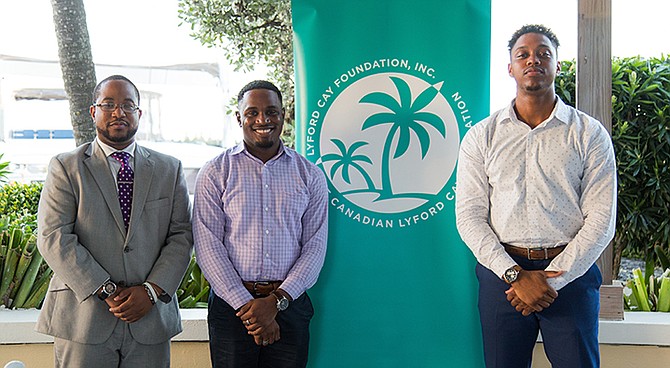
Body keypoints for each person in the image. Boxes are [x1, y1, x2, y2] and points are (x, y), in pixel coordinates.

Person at [455, 24, 617, 367]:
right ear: (510, 68)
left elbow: (602, 220)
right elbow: (469, 217)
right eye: (523, 54)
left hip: (570, 278)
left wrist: (551, 278)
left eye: (544, 54)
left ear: (558, 66)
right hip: (502, 280)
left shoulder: (589, 134)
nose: (534, 60)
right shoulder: (481, 136)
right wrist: (515, 276)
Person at [36, 75, 193, 367]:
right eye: (108, 104)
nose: (118, 112)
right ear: (93, 111)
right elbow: (53, 237)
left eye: (127, 105)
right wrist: (105, 289)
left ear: (139, 114)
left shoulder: (169, 169)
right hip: (84, 319)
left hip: (150, 318)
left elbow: (182, 236)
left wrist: (151, 291)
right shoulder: (66, 167)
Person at [193, 80, 328, 368]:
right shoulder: (216, 171)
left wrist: (277, 302)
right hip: (232, 311)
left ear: (283, 115)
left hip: (289, 306)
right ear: (239, 118)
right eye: (252, 113)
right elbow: (208, 245)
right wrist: (248, 308)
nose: (262, 120)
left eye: (271, 112)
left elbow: (315, 247)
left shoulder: (310, 175)